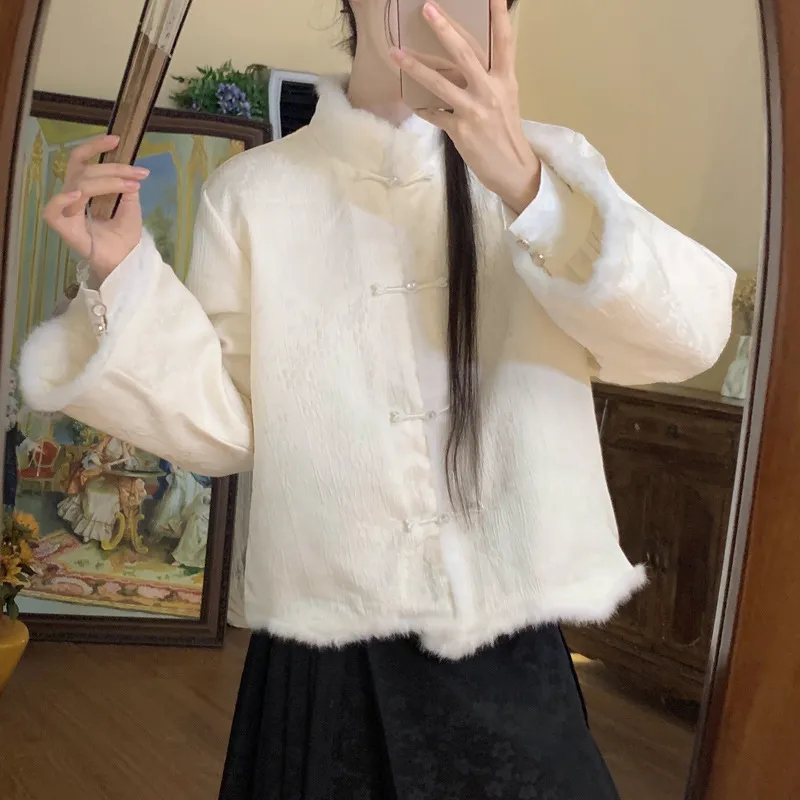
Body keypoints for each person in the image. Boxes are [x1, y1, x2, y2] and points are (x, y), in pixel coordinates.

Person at [18, 0, 734, 797]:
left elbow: (686, 338)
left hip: (512, 637)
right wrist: (121, 276)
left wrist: (529, 191)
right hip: (326, 648)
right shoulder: (253, 192)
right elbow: (229, 428)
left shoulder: (553, 169)